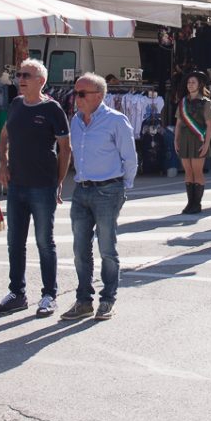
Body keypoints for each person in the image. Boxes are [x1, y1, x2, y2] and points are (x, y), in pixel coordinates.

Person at [0, 59, 71, 318]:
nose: (21, 79)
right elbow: (4, 135)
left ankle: (49, 294)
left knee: (44, 242)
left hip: (42, 185)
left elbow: (65, 148)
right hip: (17, 186)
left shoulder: (53, 108)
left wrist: (58, 182)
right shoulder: (16, 105)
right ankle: (17, 293)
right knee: (15, 242)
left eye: (27, 75)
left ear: (41, 81)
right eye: (19, 74)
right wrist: (2, 165)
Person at [61, 73, 137, 322]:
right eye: (75, 92)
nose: (76, 98)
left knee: (107, 248)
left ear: (99, 96)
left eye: (82, 93)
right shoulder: (76, 121)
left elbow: (130, 157)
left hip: (108, 190)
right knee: (80, 250)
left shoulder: (116, 120)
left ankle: (108, 299)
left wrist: (122, 188)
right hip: (82, 190)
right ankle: (83, 301)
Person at [174, 71, 211, 214]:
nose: (190, 85)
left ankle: (197, 203)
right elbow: (178, 123)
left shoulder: (205, 102)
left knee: (197, 171)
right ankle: (190, 202)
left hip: (199, 139)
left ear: (199, 85)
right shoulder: (183, 102)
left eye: (193, 83)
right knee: (188, 171)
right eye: (189, 83)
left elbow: (210, 125)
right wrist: (176, 139)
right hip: (185, 138)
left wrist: (207, 143)